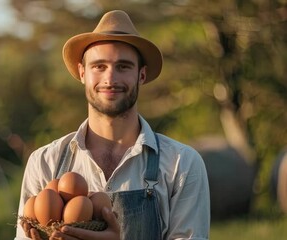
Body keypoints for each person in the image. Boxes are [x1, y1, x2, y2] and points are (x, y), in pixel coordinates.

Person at [16, 10, 210, 240]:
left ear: (142, 75)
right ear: (82, 73)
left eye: (123, 66)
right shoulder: (45, 164)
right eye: (99, 66)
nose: (110, 78)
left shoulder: (181, 165)